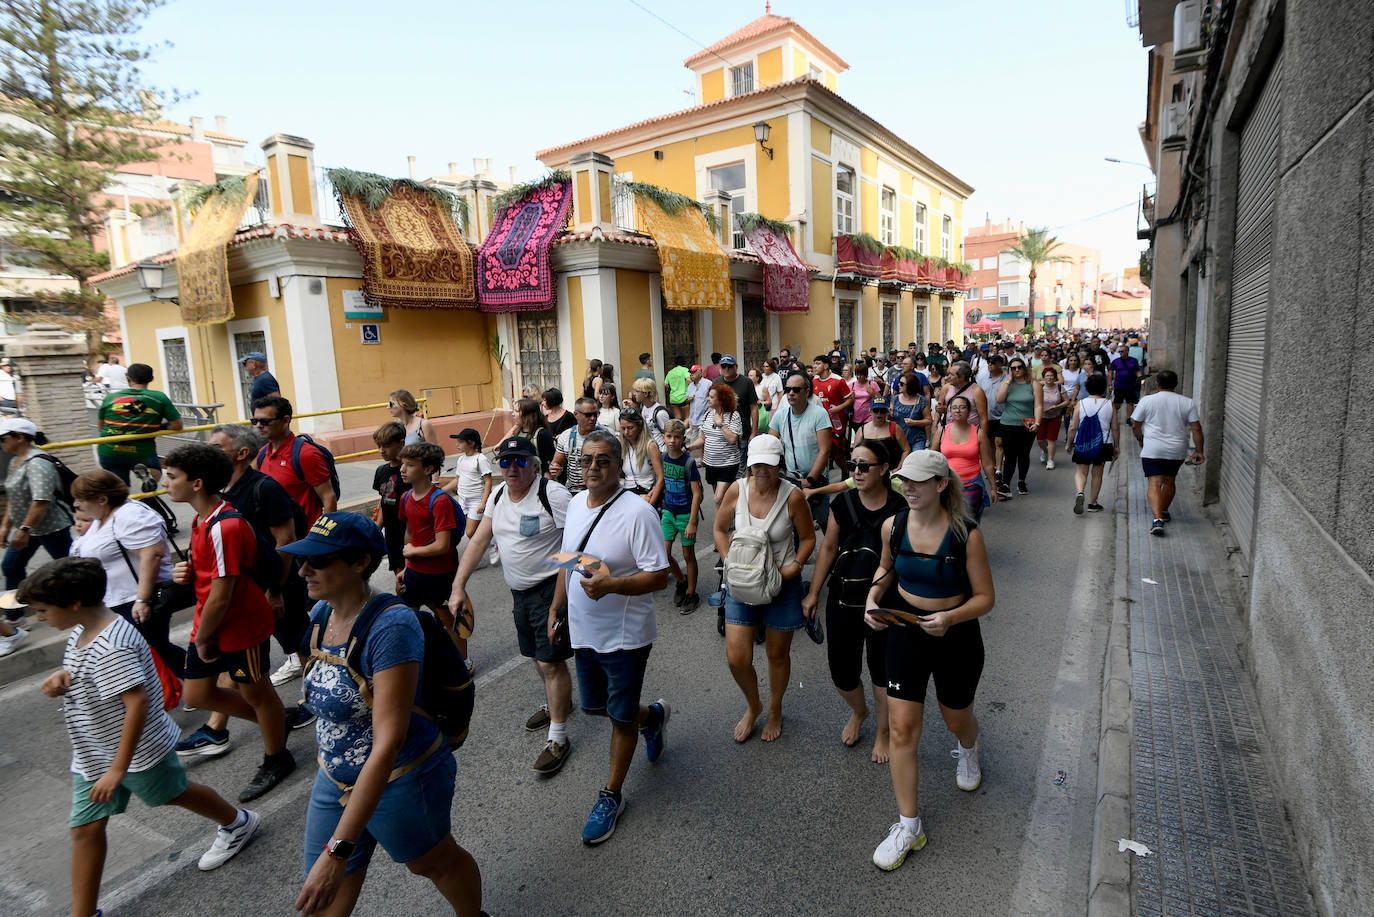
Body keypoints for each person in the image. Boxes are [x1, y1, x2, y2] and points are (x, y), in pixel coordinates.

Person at [29, 558, 261, 917]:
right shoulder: (83, 628)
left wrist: (118, 770)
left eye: (43, 609)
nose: (39, 617)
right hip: (94, 752)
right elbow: (87, 667)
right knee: (85, 829)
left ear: (74, 603)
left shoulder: (111, 646)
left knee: (175, 792)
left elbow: (136, 704)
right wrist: (65, 676)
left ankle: (237, 822)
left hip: (135, 754)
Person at [282, 514, 485, 917]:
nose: (303, 570)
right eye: (303, 559)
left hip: (402, 779)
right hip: (334, 778)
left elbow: (388, 742)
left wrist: (338, 851)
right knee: (319, 903)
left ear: (359, 563)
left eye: (317, 561)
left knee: (432, 863)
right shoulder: (322, 615)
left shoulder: (391, 627)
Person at [863, 451, 995, 871]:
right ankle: (909, 826)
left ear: (941, 484)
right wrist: (872, 599)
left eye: (919, 481)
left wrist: (950, 618)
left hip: (955, 635)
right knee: (902, 729)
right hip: (905, 630)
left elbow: (985, 598)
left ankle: (968, 746)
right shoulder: (893, 525)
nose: (909, 488)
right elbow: (886, 569)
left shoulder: (966, 534)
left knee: (957, 718)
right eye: (905, 480)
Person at [548, 430, 671, 845]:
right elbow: (568, 558)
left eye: (603, 460)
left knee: (618, 717)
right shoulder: (578, 504)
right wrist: (556, 606)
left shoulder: (638, 513)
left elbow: (659, 575)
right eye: (586, 461)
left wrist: (613, 586)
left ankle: (611, 795)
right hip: (584, 634)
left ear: (619, 465)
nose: (593, 468)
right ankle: (652, 717)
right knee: (597, 707)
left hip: (625, 638)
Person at [163, 443, 294, 802]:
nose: (165, 483)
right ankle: (276, 723)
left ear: (197, 483)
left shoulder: (226, 525)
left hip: (237, 626)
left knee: (256, 692)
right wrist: (186, 572)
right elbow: (209, 578)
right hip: (211, 623)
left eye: (172, 477)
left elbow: (223, 592)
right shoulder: (199, 520)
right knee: (198, 693)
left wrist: (204, 638)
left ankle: (276, 755)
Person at [178, 423, 313, 758]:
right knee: (220, 684)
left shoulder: (261, 490)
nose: (208, 450)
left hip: (264, 591)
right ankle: (233, 726)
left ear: (239, 454)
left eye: (215, 446)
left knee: (298, 644)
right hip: (226, 609)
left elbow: (285, 540)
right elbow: (214, 565)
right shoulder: (210, 507)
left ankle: (308, 707)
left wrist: (276, 589)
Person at [448, 436, 575, 776]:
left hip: (550, 590)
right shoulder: (500, 495)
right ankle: (558, 702)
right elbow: (479, 540)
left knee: (550, 663)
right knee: (536, 655)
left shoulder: (554, 495)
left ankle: (558, 736)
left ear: (534, 464)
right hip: (519, 593)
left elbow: (575, 548)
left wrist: (558, 603)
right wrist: (458, 585)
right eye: (506, 462)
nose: (513, 467)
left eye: (520, 460)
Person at [802, 442, 904, 762]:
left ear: (884, 469)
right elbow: (829, 549)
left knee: (880, 670)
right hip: (843, 598)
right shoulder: (842, 503)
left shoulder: (900, 508)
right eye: (852, 465)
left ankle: (884, 732)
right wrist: (814, 592)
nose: (855, 472)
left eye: (864, 466)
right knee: (842, 673)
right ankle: (860, 712)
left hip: (884, 603)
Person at [713, 436, 816, 743]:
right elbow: (719, 529)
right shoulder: (737, 489)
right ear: (749, 464)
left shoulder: (792, 496)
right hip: (741, 583)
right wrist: (728, 561)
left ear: (779, 465)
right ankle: (753, 704)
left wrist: (794, 568)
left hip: (781, 586)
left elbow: (808, 538)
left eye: (769, 465)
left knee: (777, 654)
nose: (762, 470)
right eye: (756, 463)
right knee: (737, 658)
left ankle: (774, 708)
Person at [68, 470, 183, 674]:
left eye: (80, 499)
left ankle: (206, 682)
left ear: (102, 499)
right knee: (147, 652)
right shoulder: (101, 517)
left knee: (155, 650)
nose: (76, 505)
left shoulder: (129, 514)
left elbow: (152, 554)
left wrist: (142, 600)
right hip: (116, 601)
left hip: (136, 601)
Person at [396, 443, 463, 643]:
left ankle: (464, 664)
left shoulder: (439, 500)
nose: (402, 469)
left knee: (449, 621)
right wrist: (407, 567)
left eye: (409, 465)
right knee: (407, 620)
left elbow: (442, 545)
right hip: (415, 572)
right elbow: (410, 532)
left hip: (440, 573)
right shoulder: (405, 497)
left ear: (427, 469)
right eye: (402, 464)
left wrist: (413, 552)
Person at [1, 417, 73, 590]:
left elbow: (41, 501)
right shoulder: (14, 461)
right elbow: (14, 496)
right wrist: (5, 526)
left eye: (2, 439)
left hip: (51, 528)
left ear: (19, 437)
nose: (0, 443)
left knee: (71, 570)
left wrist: (24, 531)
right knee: (11, 566)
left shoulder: (37, 463)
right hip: (29, 528)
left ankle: (87, 603)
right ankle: (14, 613)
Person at [1130, 370, 1203, 536]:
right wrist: (1199, 451)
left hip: (1152, 448)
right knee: (1169, 481)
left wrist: (1140, 439)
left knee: (1154, 483)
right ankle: (1163, 511)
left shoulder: (1147, 401)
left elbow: (1135, 425)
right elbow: (1196, 428)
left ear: (1157, 384)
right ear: (1175, 384)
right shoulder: (1187, 402)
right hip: (1176, 450)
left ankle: (1157, 519)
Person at [252, 395, 337, 526]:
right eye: (254, 421)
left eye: (264, 421)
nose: (258, 426)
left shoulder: (306, 454)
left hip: (305, 540)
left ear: (285, 420)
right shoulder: (262, 454)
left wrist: (323, 537)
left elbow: (328, 497)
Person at [96, 362, 184, 484]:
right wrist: (153, 427)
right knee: (154, 473)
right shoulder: (159, 397)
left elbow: (101, 428)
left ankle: (124, 497)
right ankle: (146, 484)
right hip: (141, 451)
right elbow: (177, 425)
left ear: (128, 379)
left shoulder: (110, 398)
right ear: (151, 379)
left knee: (118, 490)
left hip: (110, 450)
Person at [769, 371, 833, 527]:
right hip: (791, 479)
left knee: (825, 523)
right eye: (788, 389)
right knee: (795, 526)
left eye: (796, 390)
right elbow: (770, 445)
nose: (791, 393)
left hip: (817, 479)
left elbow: (824, 450)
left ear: (807, 392)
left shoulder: (819, 414)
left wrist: (810, 479)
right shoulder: (781, 415)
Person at [658, 420, 702, 613]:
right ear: (663, 438)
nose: (672, 440)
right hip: (668, 511)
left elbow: (697, 494)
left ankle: (692, 594)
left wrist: (692, 522)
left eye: (677, 437)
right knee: (663, 553)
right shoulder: (662, 458)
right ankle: (681, 581)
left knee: (687, 554)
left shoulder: (688, 462)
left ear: (683, 439)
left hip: (685, 515)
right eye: (669, 436)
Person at [937, 396, 998, 522]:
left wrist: (993, 488)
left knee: (968, 521)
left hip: (972, 484)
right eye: (954, 408)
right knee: (947, 521)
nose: (958, 410)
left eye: (962, 407)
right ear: (950, 411)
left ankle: (970, 541)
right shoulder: (942, 431)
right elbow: (932, 458)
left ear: (969, 412)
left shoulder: (978, 433)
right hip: (947, 484)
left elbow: (987, 463)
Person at [1067, 374, 1116, 515]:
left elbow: (1072, 427)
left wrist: (1069, 443)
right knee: (1097, 474)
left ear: (1087, 387)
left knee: (1081, 471)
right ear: (1103, 387)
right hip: (1103, 444)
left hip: (1082, 442)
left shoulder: (1080, 403)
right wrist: (1117, 446)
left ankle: (1080, 492)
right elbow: (1115, 428)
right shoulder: (1109, 404)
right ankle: (1092, 503)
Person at [995, 358, 1044, 497]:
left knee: (1023, 454)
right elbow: (999, 399)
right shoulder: (1007, 383)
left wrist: (1038, 423)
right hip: (1008, 423)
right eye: (1013, 368)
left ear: (1025, 368)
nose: (1017, 370)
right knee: (1009, 455)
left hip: (1027, 425)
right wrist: (1009, 380)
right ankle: (1005, 485)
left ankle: (1021, 481)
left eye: (1019, 367)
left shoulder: (1033, 384)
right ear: (1010, 370)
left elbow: (1038, 405)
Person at [692, 383, 742, 506]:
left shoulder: (733, 416)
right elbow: (703, 439)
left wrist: (720, 424)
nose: (708, 399)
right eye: (709, 396)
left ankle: (721, 524)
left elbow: (732, 439)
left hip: (728, 464)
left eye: (712, 397)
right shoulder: (708, 415)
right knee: (719, 499)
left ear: (722, 399)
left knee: (718, 498)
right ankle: (726, 521)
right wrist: (689, 447)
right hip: (710, 464)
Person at [371, 421, 410, 574]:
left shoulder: (411, 470)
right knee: (400, 580)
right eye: (379, 446)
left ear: (401, 443)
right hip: (392, 537)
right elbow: (383, 501)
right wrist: (376, 530)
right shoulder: (381, 471)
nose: (381, 451)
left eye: (386, 446)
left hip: (412, 534)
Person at [448, 428, 493, 538]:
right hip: (463, 500)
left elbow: (488, 481)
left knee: (470, 532)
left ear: (472, 443)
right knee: (468, 530)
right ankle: (484, 543)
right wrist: (441, 490)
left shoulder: (480, 459)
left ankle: (491, 539)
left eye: (460, 442)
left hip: (476, 501)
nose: (457, 445)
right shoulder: (461, 459)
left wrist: (483, 502)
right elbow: (457, 479)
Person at [811, 356, 852, 469]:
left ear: (826, 366)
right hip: (819, 424)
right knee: (822, 452)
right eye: (814, 363)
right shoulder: (814, 381)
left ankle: (847, 474)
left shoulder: (838, 381)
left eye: (818, 363)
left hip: (836, 424)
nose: (814, 366)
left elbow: (850, 400)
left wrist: (838, 408)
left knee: (837, 455)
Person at [616, 409, 663, 506]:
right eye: (623, 428)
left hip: (646, 493)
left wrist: (650, 504)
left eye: (630, 428)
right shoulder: (622, 446)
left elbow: (661, 478)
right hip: (627, 495)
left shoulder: (650, 446)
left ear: (640, 426)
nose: (626, 432)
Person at [852, 396, 910, 467]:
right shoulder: (862, 430)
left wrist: (899, 468)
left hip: (891, 471)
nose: (879, 413)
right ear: (870, 411)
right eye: (876, 410)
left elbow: (906, 450)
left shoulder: (895, 428)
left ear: (887, 412)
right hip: (868, 473)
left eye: (882, 411)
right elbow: (855, 453)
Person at [718, 355, 759, 453]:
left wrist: (754, 432)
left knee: (740, 466)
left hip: (742, 432)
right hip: (721, 431)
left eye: (730, 366)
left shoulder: (746, 382)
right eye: (724, 366)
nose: (727, 369)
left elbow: (754, 408)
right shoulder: (717, 382)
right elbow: (712, 407)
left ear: (736, 367)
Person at [890, 371, 932, 454]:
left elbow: (929, 420)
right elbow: (891, 415)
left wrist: (914, 422)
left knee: (915, 462)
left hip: (917, 439)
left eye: (902, 384)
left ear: (910, 386)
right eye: (899, 383)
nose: (898, 385)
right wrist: (889, 414)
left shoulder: (922, 401)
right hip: (899, 439)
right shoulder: (895, 399)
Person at [1036, 365, 1070, 470]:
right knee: (1040, 440)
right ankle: (1046, 451)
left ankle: (1050, 460)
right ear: (1043, 377)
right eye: (1047, 376)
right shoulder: (1039, 388)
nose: (1049, 378)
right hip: (1041, 417)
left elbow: (1067, 401)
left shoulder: (1060, 387)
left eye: (1051, 376)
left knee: (1051, 439)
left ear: (1055, 377)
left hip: (1055, 416)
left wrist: (1057, 406)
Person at [506, 398, 556, 468]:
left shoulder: (541, 434)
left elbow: (550, 460)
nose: (513, 414)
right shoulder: (516, 432)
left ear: (527, 415)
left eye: (516, 411)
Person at [630, 377, 672, 452]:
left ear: (645, 394)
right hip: (650, 449)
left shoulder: (660, 413)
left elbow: (669, 434)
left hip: (661, 451)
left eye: (637, 391)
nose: (634, 394)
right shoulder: (644, 408)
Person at [684, 365, 710, 454]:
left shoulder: (708, 384)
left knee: (703, 441)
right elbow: (686, 401)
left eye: (693, 373)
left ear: (699, 373)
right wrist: (688, 399)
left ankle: (703, 460)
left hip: (704, 419)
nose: (691, 375)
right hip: (693, 419)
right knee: (694, 442)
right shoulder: (690, 386)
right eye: (690, 373)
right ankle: (697, 461)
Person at [664, 356, 690, 422]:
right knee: (688, 418)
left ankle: (677, 431)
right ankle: (684, 430)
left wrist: (671, 389)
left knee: (678, 418)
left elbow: (665, 384)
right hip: (683, 397)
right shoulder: (685, 370)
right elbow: (688, 380)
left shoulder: (670, 372)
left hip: (673, 398)